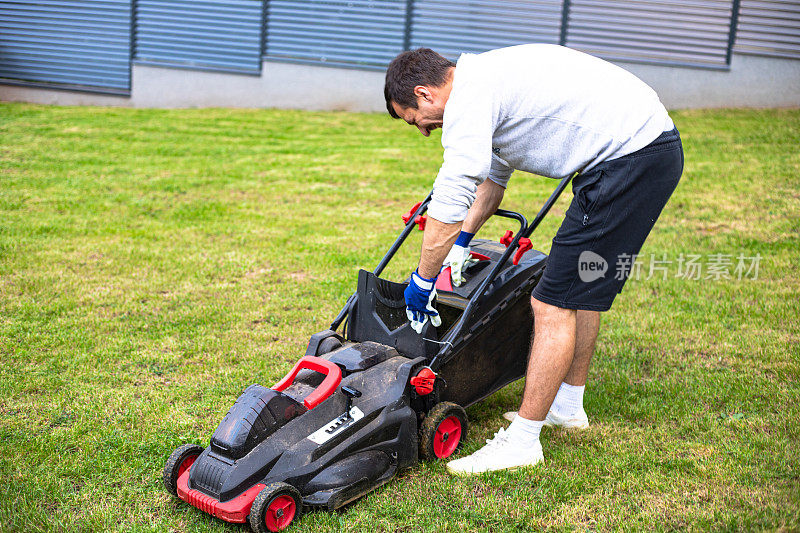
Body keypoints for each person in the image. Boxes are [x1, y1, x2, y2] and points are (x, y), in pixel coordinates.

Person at [383, 44, 683, 475]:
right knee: (578, 289)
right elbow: (490, 183)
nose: (425, 131)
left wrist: (424, 278)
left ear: (425, 93)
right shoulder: (483, 82)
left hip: (631, 159)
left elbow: (452, 195)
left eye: (416, 120)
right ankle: (567, 405)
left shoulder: (470, 97)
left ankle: (522, 441)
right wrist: (463, 243)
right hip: (642, 151)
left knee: (552, 302)